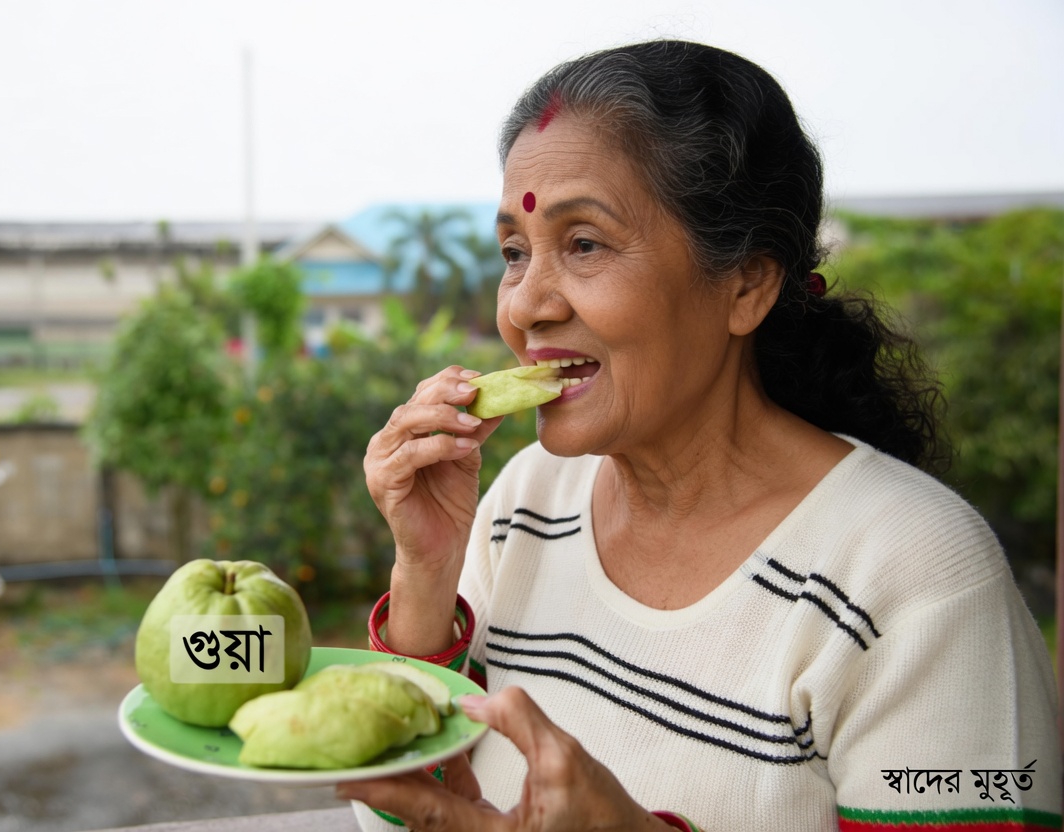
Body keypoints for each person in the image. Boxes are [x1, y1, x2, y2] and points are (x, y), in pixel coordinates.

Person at [345, 40, 1062, 831]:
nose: (523, 306)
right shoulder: (524, 506)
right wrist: (425, 576)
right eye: (515, 253)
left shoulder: (917, 578)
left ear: (747, 283)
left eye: (584, 244)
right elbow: (399, 818)